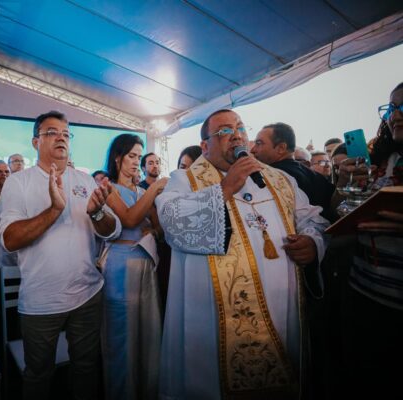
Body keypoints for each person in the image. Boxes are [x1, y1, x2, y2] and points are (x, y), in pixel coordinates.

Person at [156, 109, 328, 400]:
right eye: (224, 131)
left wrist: (313, 243)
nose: (236, 135)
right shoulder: (184, 180)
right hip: (215, 325)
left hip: (282, 312)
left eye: (240, 128)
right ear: (205, 146)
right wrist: (224, 188)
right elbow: (171, 222)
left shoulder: (279, 179)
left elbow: (314, 221)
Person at [0, 110, 120, 400]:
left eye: (66, 133)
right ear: (35, 142)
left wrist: (97, 213)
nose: (61, 137)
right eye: (52, 132)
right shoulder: (19, 182)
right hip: (41, 301)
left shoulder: (85, 180)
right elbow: (9, 240)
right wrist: (54, 210)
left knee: (87, 369)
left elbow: (112, 230)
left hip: (88, 295)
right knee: (38, 375)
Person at [333, 82, 403, 398]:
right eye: (391, 108)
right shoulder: (378, 160)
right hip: (363, 293)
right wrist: (343, 183)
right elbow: (339, 211)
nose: (395, 116)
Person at [99, 134, 167, 400]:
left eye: (139, 156)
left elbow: (158, 227)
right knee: (122, 336)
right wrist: (154, 188)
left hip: (146, 262)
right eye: (131, 156)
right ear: (118, 158)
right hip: (120, 264)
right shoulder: (109, 189)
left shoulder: (141, 192)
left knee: (148, 333)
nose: (136, 161)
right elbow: (129, 219)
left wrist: (155, 230)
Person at [251, 122, 336, 222]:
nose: (253, 149)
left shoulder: (274, 176)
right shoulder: (316, 176)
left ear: (281, 148)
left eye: (259, 143)